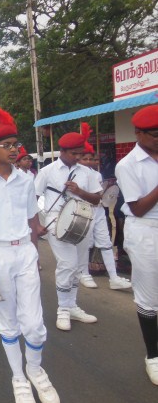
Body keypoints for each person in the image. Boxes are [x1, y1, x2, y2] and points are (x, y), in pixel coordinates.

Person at [0, 104, 59, 403]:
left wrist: (35, 250)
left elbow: (32, 221)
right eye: (6, 146)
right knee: (8, 321)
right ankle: (18, 377)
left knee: (34, 324)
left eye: (16, 144)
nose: (14, 150)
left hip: (25, 253)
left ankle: (35, 370)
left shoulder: (26, 179)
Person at [34, 130, 102, 332]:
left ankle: (72, 305)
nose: (79, 158)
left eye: (81, 153)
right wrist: (38, 224)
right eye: (75, 153)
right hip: (56, 221)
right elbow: (33, 198)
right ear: (62, 151)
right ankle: (62, 310)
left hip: (82, 222)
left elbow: (98, 199)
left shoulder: (87, 173)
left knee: (79, 266)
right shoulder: (48, 171)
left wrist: (80, 191)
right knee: (67, 264)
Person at [114, 104, 158, 386]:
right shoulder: (127, 165)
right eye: (155, 134)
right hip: (146, 231)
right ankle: (153, 356)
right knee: (149, 297)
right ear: (139, 134)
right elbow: (138, 208)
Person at [77, 123, 131, 290]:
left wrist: (106, 197)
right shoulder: (76, 174)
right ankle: (83, 273)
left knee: (106, 242)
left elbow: (102, 195)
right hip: (83, 212)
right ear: (78, 159)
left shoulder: (97, 174)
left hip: (99, 211)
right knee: (85, 244)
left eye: (92, 158)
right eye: (85, 158)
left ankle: (114, 278)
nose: (89, 161)